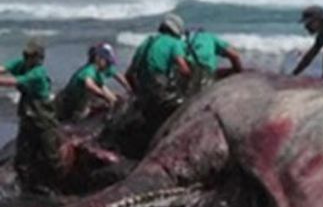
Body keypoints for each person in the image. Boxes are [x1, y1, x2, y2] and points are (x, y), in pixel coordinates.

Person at [116, 13, 193, 155]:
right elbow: (184, 69)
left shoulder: (146, 42)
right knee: (187, 106)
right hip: (159, 93)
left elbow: (128, 74)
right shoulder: (174, 43)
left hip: (144, 95)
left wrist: (137, 94)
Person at [0, 39, 59, 192]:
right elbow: (3, 69)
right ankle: (27, 186)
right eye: (25, 55)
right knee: (23, 155)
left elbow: (14, 81)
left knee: (51, 155)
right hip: (28, 116)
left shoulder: (38, 73)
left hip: (43, 117)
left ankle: (54, 185)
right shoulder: (22, 64)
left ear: (38, 58)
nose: (26, 58)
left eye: (30, 56)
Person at [55, 43, 131, 122]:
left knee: (115, 100)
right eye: (107, 61)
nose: (109, 65)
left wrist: (129, 89)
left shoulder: (102, 69)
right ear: (98, 59)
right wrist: (105, 96)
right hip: (67, 103)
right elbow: (89, 85)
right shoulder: (89, 70)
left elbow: (118, 76)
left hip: (81, 100)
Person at [185, 27, 243, 96]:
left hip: (187, 72)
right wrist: (238, 71)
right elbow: (235, 56)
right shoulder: (210, 37)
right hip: (205, 73)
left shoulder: (186, 39)